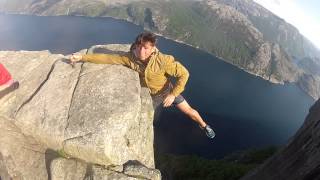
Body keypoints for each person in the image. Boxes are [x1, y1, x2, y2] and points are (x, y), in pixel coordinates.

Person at [70, 32, 215, 139]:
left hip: (166, 91)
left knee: (189, 111)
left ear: (153, 48)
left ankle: (204, 126)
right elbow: (108, 58)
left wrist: (173, 94)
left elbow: (185, 74)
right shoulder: (130, 57)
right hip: (150, 96)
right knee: (146, 119)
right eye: (139, 47)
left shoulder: (163, 61)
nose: (141, 51)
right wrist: (82, 57)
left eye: (146, 48)